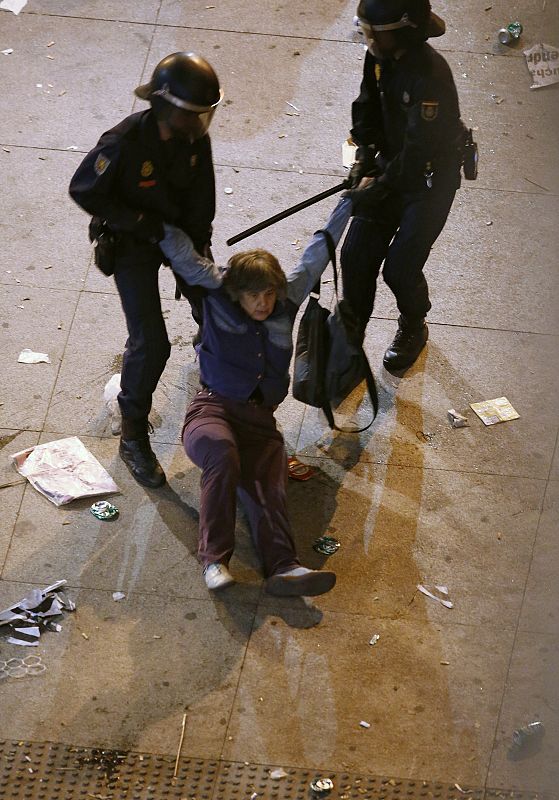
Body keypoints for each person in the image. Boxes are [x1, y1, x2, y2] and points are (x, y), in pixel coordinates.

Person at [157, 197, 352, 595]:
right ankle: (214, 561)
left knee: (268, 485)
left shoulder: (286, 300)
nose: (262, 303)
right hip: (212, 411)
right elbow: (181, 253)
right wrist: (151, 213)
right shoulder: (216, 293)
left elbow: (320, 248)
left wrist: (349, 200)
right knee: (223, 456)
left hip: (261, 421)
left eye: (267, 293)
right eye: (253, 296)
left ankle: (284, 567)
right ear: (236, 292)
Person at [69, 52, 222, 488]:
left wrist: (199, 255)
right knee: (151, 342)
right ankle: (133, 434)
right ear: (166, 107)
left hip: (180, 236)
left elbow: (202, 198)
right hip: (133, 242)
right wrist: (137, 222)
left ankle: (221, 385)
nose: (201, 124)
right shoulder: (122, 143)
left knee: (219, 307)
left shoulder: (194, 140)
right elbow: (83, 190)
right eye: (194, 115)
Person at [342, 0, 468, 373]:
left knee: (400, 268)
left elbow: (419, 153)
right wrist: (363, 156)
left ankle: (414, 324)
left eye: (372, 32)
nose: (366, 39)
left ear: (400, 30)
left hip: (429, 181)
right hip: (390, 167)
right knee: (355, 256)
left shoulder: (430, 77)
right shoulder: (378, 56)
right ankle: (350, 344)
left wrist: (377, 187)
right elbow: (366, 105)